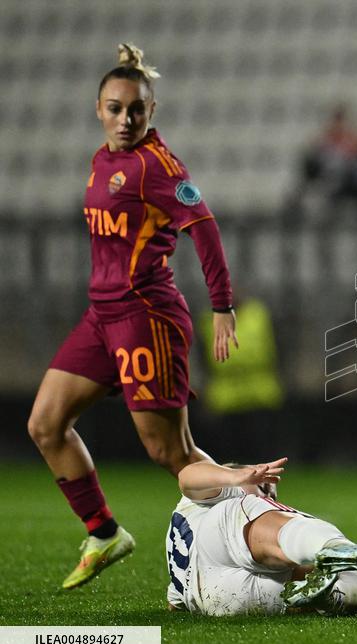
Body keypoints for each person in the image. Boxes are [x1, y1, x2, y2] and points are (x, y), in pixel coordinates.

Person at [26, 44, 238, 589]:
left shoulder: (158, 166)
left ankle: (258, 519)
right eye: (115, 108)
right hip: (102, 316)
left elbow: (205, 226)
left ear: (152, 111)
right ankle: (104, 532)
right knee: (46, 424)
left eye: (136, 110)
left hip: (146, 315)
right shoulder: (103, 160)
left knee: (171, 453)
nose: (126, 119)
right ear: (99, 108)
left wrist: (222, 306)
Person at [166, 458, 357, 617]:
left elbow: (174, 605)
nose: (270, 493)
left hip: (218, 601)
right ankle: (334, 547)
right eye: (265, 484)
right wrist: (238, 476)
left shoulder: (182, 532)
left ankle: (334, 594)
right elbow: (187, 475)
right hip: (218, 546)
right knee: (249, 507)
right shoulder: (226, 493)